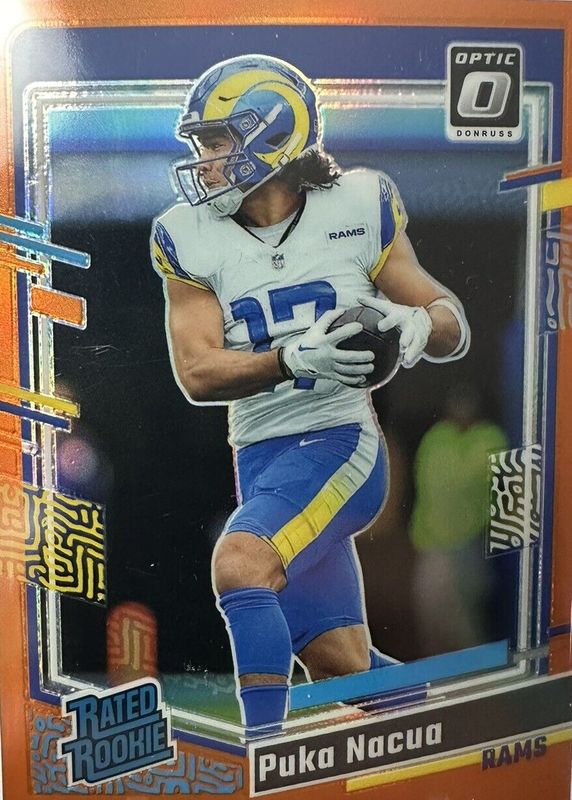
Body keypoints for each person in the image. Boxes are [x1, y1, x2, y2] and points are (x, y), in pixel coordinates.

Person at [151, 54, 470, 734]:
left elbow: (448, 320)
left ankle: (261, 753)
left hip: (339, 442)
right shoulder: (186, 234)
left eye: (216, 141)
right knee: (340, 665)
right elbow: (197, 371)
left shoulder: (357, 203)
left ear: (272, 133)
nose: (204, 162)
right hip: (258, 456)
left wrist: (417, 325)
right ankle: (462, 731)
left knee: (240, 563)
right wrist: (290, 358)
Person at [410, 383, 507, 654]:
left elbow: (480, 487)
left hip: (470, 546)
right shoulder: (437, 437)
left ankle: (483, 680)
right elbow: (428, 484)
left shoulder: (490, 437)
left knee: (466, 629)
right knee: (432, 625)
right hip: (431, 547)